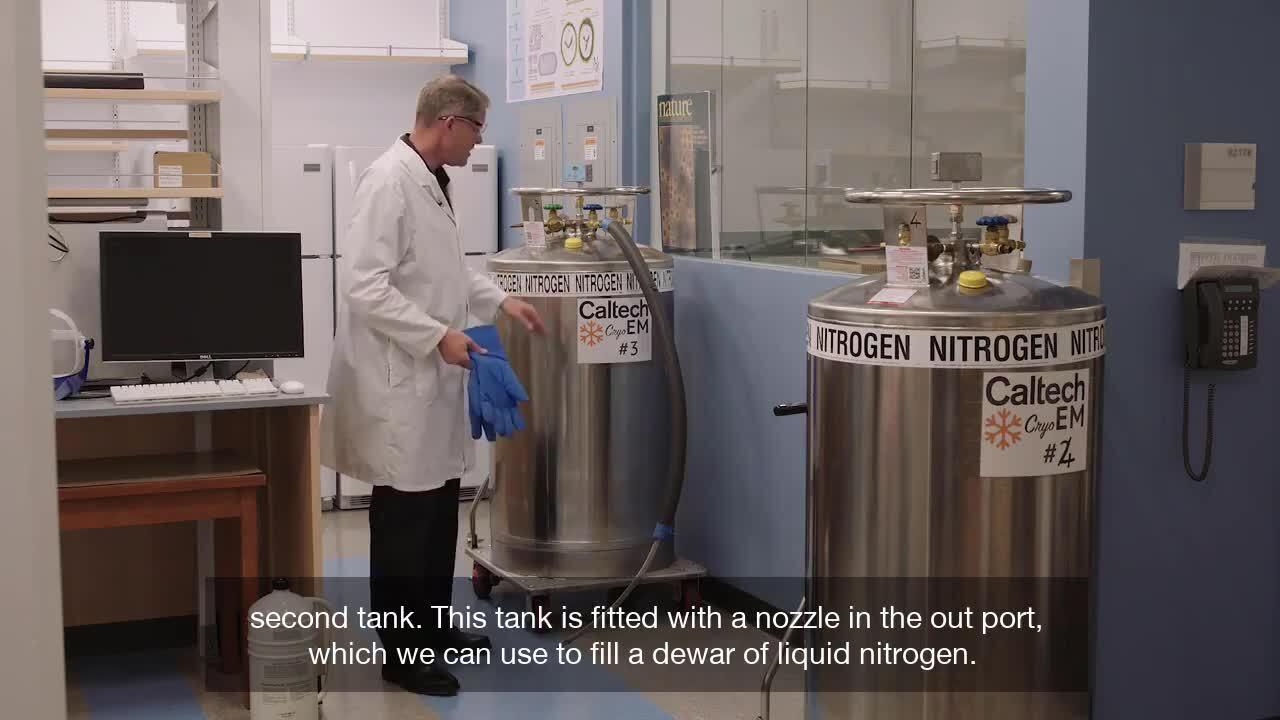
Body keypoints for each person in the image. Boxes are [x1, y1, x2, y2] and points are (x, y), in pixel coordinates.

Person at [320, 74, 544, 697]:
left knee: (439, 507)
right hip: (399, 380)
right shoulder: (389, 182)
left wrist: (501, 300)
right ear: (449, 121)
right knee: (404, 520)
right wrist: (435, 335)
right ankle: (402, 653)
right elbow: (363, 286)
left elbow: (448, 270)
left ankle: (433, 628)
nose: (478, 141)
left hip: (432, 377)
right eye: (476, 129)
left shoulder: (433, 180)